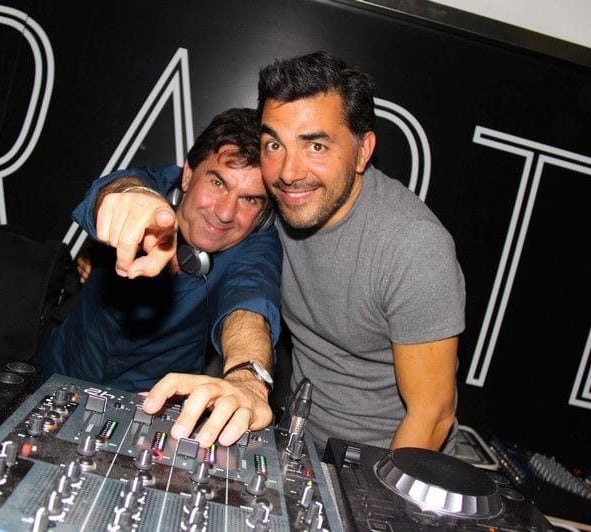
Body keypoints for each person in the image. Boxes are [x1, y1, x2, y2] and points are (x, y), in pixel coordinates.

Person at [256, 51, 465, 451]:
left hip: (386, 463)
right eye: (274, 144)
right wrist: (133, 195)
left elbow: (432, 416)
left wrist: (372, 491)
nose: (288, 172)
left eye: (316, 147)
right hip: (300, 448)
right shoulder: (276, 200)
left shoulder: (413, 246)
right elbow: (194, 186)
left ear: (363, 151)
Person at [38, 108, 281, 447]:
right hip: (55, 377)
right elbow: (118, 191)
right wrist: (127, 199)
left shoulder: (256, 245)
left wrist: (248, 381)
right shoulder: (152, 186)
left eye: (250, 199)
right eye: (217, 183)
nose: (226, 212)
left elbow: (250, 309)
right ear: (188, 175)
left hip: (148, 412)